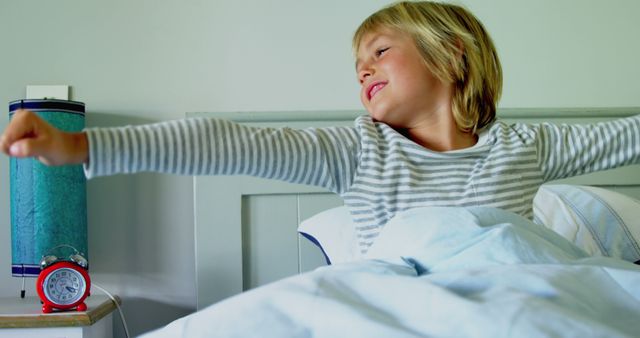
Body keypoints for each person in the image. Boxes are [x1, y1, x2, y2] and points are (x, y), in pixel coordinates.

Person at [1, 1, 639, 256]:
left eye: (381, 52)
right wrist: (83, 145)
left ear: (452, 54)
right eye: (357, 64)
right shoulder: (356, 150)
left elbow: (631, 135)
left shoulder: (526, 148)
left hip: (514, 299)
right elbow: (228, 143)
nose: (362, 70)